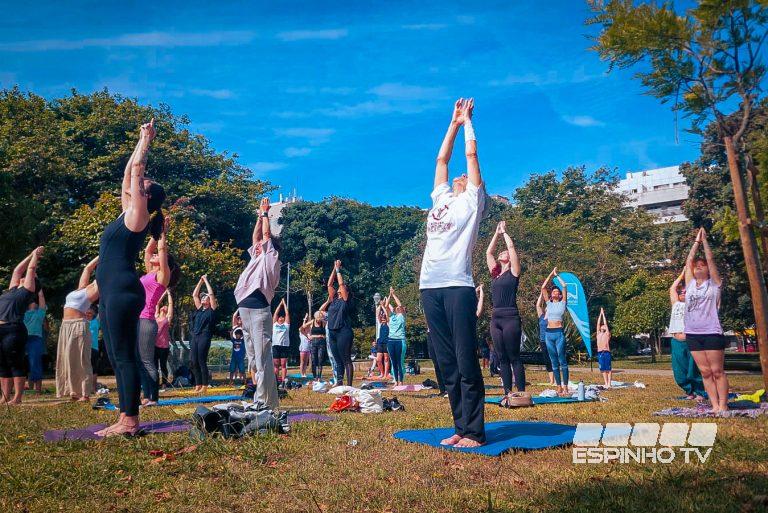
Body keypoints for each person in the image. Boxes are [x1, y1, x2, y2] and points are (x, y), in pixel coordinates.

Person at [420, 98, 487, 448]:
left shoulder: (473, 202)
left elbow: (469, 158)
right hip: (429, 286)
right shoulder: (441, 199)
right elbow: (441, 160)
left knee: (464, 359)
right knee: (445, 363)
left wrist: (469, 124)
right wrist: (453, 124)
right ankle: (460, 426)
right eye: (457, 177)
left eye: (465, 177)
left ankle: (475, 431)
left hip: (458, 286)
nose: (459, 176)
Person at [235, 197, 281, 408]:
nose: (258, 246)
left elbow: (264, 235)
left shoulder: (271, 259)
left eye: (263, 245)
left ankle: (265, 401)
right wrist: (257, 218)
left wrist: (265, 213)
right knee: (253, 358)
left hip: (259, 311)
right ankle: (263, 398)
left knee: (262, 359)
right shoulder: (256, 257)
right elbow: (256, 237)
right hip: (245, 310)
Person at [684, 227, 730, 413]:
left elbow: (710, 261)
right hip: (693, 334)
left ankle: (723, 405)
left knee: (717, 371)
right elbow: (688, 262)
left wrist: (705, 242)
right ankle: (714, 405)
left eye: (702, 265)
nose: (699, 266)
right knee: (705, 372)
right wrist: (695, 242)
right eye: (697, 265)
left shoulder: (715, 284)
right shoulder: (690, 285)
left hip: (711, 331)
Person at [137, 218, 176, 406]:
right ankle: (146, 395)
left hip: (147, 320)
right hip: (138, 319)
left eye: (158, 257)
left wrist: (163, 232)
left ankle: (153, 397)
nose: (152, 256)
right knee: (140, 360)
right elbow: (148, 250)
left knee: (147, 360)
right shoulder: (148, 273)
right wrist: (156, 232)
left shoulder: (162, 275)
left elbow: (160, 250)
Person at [486, 220, 524, 396]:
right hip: (496, 318)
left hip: (510, 317)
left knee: (513, 356)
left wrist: (504, 232)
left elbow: (512, 248)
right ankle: (508, 392)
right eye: (501, 253)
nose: (502, 253)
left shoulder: (514, 271)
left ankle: (521, 391)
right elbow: (489, 252)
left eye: (505, 252)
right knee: (502, 358)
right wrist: (495, 232)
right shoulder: (495, 273)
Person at [0, 247, 43, 404]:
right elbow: (18, 270)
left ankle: (17, 397)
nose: (24, 277)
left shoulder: (27, 291)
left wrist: (35, 257)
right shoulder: (12, 290)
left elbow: (30, 269)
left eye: (29, 277)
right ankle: (4, 397)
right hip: (1, 330)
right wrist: (31, 253)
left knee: (14, 363)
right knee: (3, 364)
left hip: (13, 329)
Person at [56, 256, 100, 401]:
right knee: (67, 359)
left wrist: (107, 260)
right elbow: (87, 268)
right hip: (65, 326)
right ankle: (73, 392)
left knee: (81, 359)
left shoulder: (93, 291)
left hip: (78, 324)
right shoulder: (81, 288)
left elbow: (103, 275)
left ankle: (85, 393)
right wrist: (101, 254)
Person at [668, 269, 705, 400]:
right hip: (677, 342)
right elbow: (672, 288)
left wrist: (691, 275)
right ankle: (689, 391)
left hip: (692, 340)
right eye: (681, 292)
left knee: (693, 369)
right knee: (679, 372)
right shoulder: (676, 304)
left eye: (685, 291)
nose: (682, 293)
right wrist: (682, 274)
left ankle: (699, 392)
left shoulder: (693, 304)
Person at [541, 267, 569, 396]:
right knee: (553, 361)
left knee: (562, 360)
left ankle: (566, 386)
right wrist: (550, 274)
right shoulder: (549, 304)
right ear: (551, 295)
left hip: (559, 333)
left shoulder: (563, 303)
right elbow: (543, 288)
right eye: (554, 291)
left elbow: (564, 286)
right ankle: (558, 386)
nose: (555, 293)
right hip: (548, 334)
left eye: (557, 292)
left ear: (560, 295)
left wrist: (557, 276)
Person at [326, 260, 354, 386]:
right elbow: (329, 284)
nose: (338, 290)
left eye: (341, 290)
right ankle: (339, 382)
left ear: (345, 292)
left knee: (346, 359)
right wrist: (333, 269)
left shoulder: (346, 301)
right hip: (332, 332)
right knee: (337, 360)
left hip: (344, 332)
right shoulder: (334, 300)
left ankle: (349, 385)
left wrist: (338, 270)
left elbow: (341, 284)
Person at [191, 275, 218, 393]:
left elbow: (211, 295)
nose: (203, 298)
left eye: (205, 297)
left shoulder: (211, 310)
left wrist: (206, 280)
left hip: (205, 336)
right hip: (195, 336)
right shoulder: (199, 309)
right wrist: (200, 281)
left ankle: (205, 385)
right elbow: (194, 295)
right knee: (193, 361)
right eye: (203, 298)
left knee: (201, 360)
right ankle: (198, 384)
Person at [23, 288, 46, 394]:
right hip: (22, 339)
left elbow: (41, 297)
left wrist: (39, 287)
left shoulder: (39, 314)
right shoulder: (22, 313)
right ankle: (29, 388)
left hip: (35, 339)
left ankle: (37, 390)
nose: (34, 303)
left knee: (35, 363)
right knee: (24, 364)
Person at [384, 287, 407, 386]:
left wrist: (393, 295)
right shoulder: (391, 316)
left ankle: (401, 381)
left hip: (400, 341)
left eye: (399, 308)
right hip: (391, 341)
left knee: (399, 362)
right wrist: (389, 295)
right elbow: (386, 306)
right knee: (393, 362)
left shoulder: (402, 316)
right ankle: (396, 381)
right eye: (396, 308)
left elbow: (400, 304)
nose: (397, 308)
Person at [535, 293, 556, 385]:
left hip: (551, 340)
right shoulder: (541, 316)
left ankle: (557, 379)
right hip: (543, 341)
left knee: (553, 359)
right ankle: (552, 380)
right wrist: (541, 294)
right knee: (547, 360)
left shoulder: (553, 317)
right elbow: (537, 305)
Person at [154, 291, 173, 389]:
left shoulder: (167, 318)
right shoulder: (156, 316)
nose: (164, 306)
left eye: (166, 307)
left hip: (164, 346)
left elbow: (170, 305)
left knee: (163, 365)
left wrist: (169, 294)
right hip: (155, 345)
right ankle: (155, 383)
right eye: (163, 306)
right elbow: (157, 303)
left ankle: (164, 383)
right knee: (154, 366)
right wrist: (164, 293)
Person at [304, 305, 328, 380]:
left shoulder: (324, 323)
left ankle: (319, 377)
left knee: (320, 359)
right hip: (313, 342)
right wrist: (308, 335)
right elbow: (303, 327)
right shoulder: (312, 322)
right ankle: (315, 377)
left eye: (320, 319)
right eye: (318, 319)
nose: (318, 321)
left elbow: (329, 328)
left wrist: (324, 336)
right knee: (314, 360)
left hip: (321, 343)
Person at [272, 298, 291, 385]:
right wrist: (280, 304)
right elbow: (275, 313)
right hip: (276, 345)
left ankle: (283, 381)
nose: (281, 318)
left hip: (284, 346)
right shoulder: (274, 325)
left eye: (282, 317)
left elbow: (287, 313)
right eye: (280, 317)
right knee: (276, 364)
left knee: (283, 364)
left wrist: (284, 304)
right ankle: (275, 380)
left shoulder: (286, 325)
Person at [596, 308, 612, 388]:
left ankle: (609, 383)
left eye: (604, 326)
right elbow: (598, 324)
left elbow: (605, 324)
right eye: (601, 326)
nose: (602, 326)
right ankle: (606, 383)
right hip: (600, 353)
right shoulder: (598, 334)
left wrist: (603, 315)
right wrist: (600, 314)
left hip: (606, 352)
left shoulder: (607, 334)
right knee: (602, 369)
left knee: (608, 369)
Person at [86, 305, 100, 393]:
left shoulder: (96, 321)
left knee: (94, 369)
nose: (88, 314)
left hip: (94, 348)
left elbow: (101, 312)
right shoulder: (83, 321)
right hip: (84, 348)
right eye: (86, 313)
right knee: (85, 369)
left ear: (94, 313)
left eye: (90, 313)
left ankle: (94, 388)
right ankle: (85, 388)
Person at [375, 305, 391, 380]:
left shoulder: (388, 323)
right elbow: (377, 313)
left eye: (384, 317)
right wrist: (381, 305)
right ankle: (382, 373)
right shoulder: (380, 323)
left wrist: (384, 307)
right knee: (378, 359)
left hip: (387, 342)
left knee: (386, 359)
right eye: (382, 317)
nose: (383, 318)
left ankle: (386, 374)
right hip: (380, 343)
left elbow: (387, 315)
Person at [298, 313, 311, 378]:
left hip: (308, 349)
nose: (307, 328)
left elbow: (309, 324)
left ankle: (304, 373)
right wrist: (304, 319)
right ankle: (301, 373)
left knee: (306, 362)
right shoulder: (302, 333)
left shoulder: (309, 333)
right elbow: (302, 328)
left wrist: (308, 318)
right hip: (303, 349)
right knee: (302, 362)